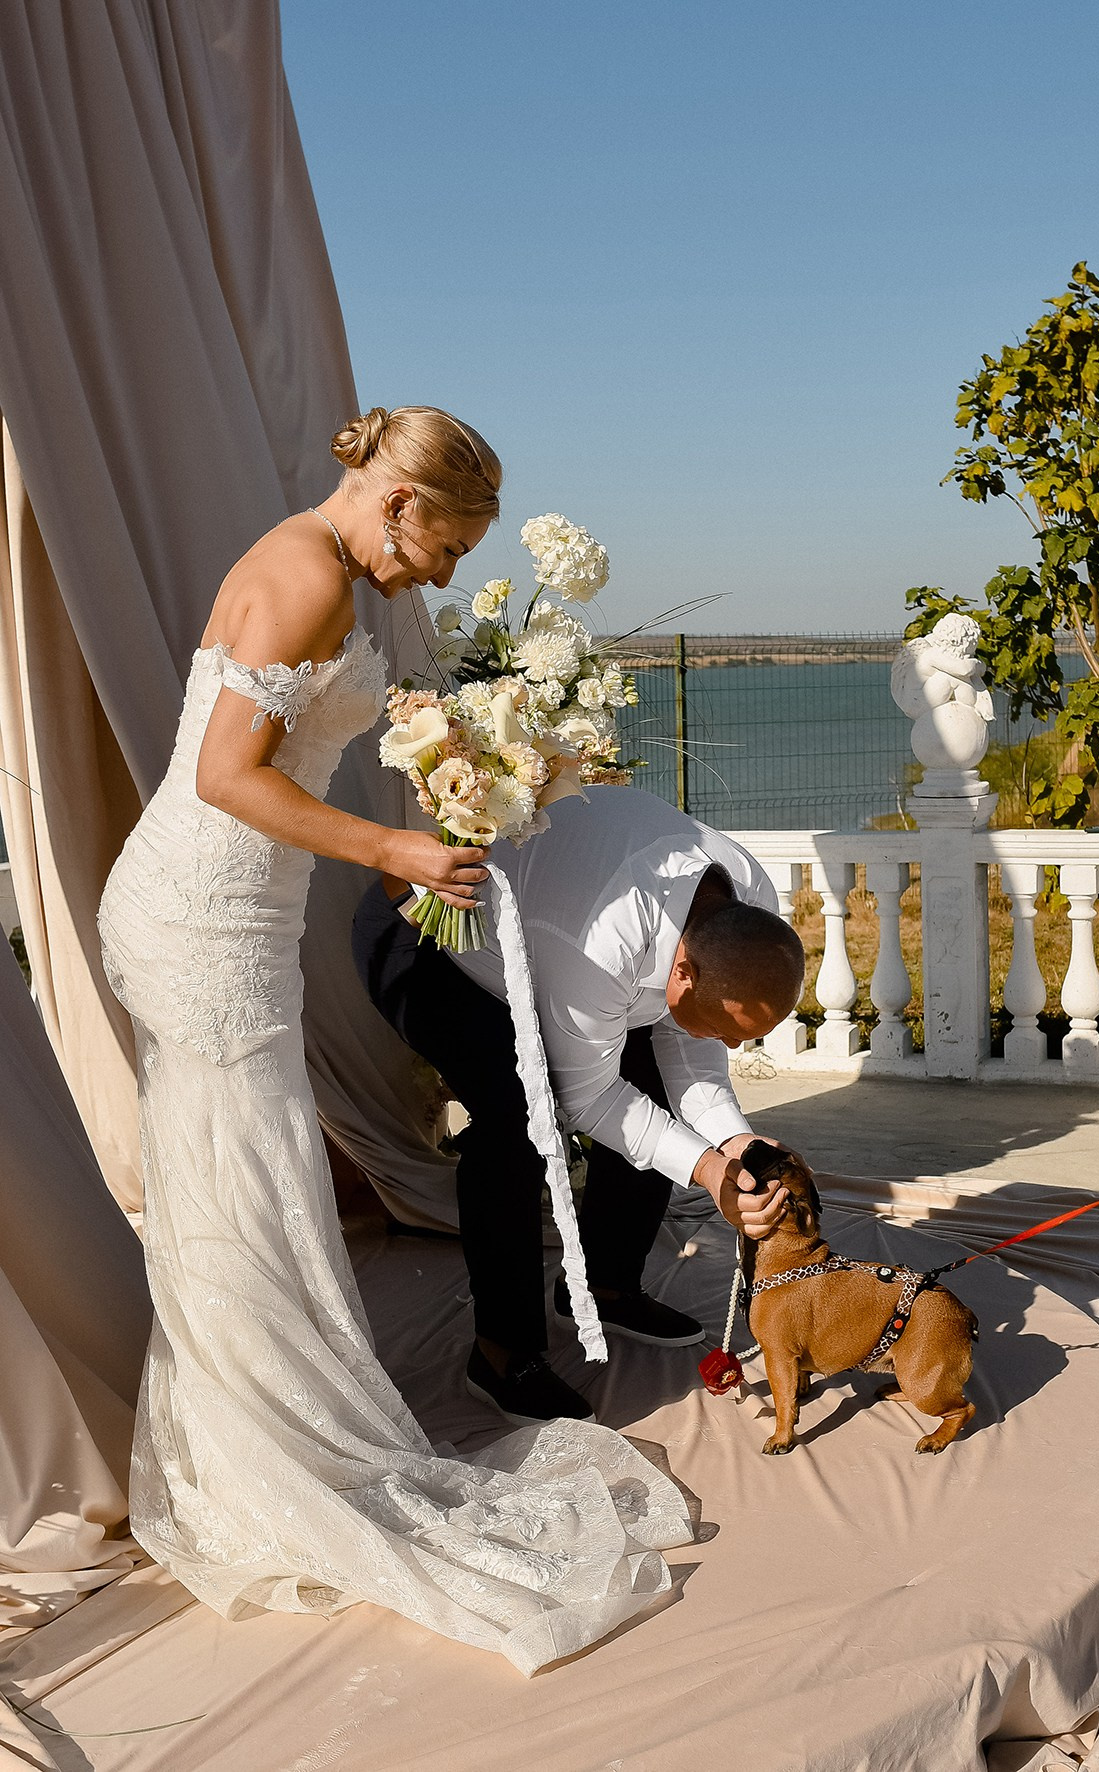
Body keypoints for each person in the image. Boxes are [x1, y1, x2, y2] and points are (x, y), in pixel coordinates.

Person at [97, 406, 695, 1678]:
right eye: (449, 545)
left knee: (241, 1190)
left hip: (230, 915)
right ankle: (257, 1464)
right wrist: (393, 847)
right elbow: (222, 775)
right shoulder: (311, 574)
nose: (444, 572)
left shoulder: (314, 560)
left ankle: (251, 1440)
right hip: (201, 919)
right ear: (400, 502)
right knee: (239, 1187)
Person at [352, 785, 805, 1426]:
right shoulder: (602, 940)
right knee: (516, 1119)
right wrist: (707, 1170)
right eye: (728, 1030)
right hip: (429, 940)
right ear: (682, 972)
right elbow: (588, 1099)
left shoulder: (747, 903)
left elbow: (690, 1051)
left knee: (654, 1080)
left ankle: (603, 1284)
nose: (734, 1047)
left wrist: (735, 1143)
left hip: (548, 933)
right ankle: (502, 1354)